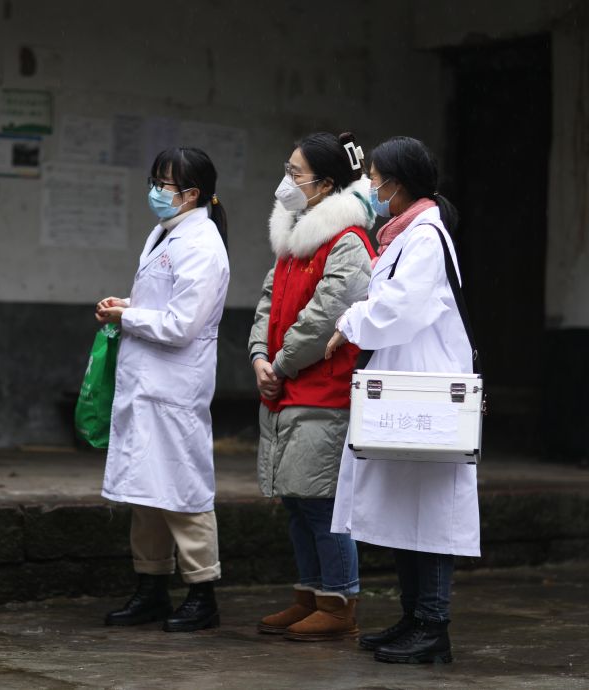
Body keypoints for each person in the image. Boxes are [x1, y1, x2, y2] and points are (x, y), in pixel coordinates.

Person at [325, 136, 479, 664]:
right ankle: (413, 618)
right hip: (406, 387)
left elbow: (400, 308)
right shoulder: (405, 233)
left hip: (427, 390)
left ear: (397, 183)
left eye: (374, 178)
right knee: (403, 510)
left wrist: (350, 321)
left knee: (429, 513)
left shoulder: (426, 235)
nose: (370, 187)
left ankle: (433, 625)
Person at [248, 132, 376, 641]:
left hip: (324, 391)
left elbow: (325, 316)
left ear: (324, 185)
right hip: (286, 388)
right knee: (296, 501)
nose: (287, 181)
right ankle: (309, 595)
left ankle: (339, 602)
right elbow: (267, 302)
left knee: (323, 502)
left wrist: (279, 364)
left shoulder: (348, 242)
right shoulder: (295, 239)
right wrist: (259, 356)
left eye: (295, 173)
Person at [96, 147, 230, 632]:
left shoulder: (203, 245)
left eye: (163, 184)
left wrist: (127, 316)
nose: (154, 192)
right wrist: (127, 304)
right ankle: (150, 586)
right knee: (144, 485)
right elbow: (161, 299)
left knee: (182, 486)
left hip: (174, 385)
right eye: (153, 181)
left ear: (191, 194)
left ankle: (202, 591)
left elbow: (181, 324)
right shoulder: (165, 233)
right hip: (147, 381)